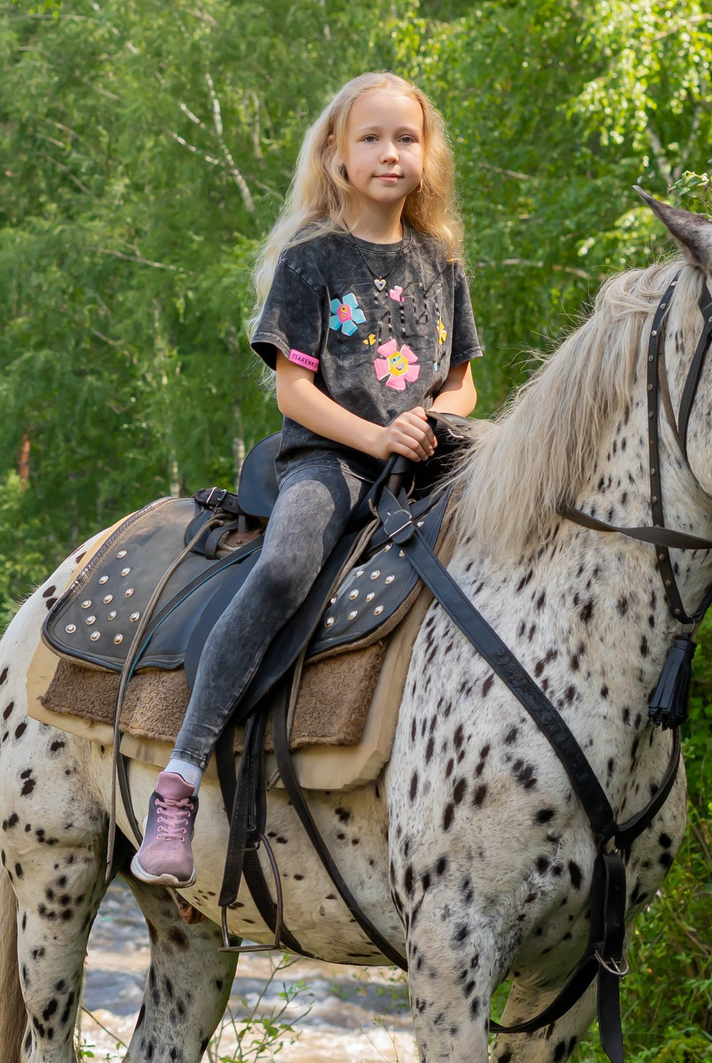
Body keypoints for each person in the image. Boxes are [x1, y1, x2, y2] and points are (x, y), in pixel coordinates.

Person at [132, 71, 483, 889]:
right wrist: (377, 435)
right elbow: (294, 391)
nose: (390, 153)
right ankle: (179, 779)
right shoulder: (311, 260)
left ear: (427, 155)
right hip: (332, 458)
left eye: (406, 138)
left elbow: (463, 381)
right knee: (286, 566)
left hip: (427, 456)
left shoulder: (441, 261)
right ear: (336, 155)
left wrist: (434, 419)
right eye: (372, 138)